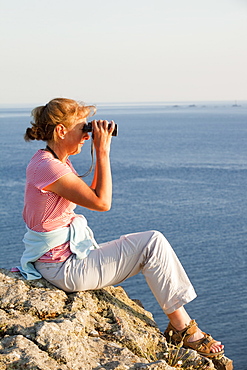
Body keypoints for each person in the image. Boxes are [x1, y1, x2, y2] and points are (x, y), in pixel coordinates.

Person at [18, 97, 224, 358]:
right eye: (82, 128)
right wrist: (103, 151)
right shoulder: (48, 166)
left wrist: (96, 147)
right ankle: (182, 328)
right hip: (62, 268)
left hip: (61, 260)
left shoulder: (50, 160)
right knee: (152, 243)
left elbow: (92, 194)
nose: (86, 135)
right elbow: (102, 202)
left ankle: (179, 325)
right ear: (61, 130)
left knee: (150, 245)